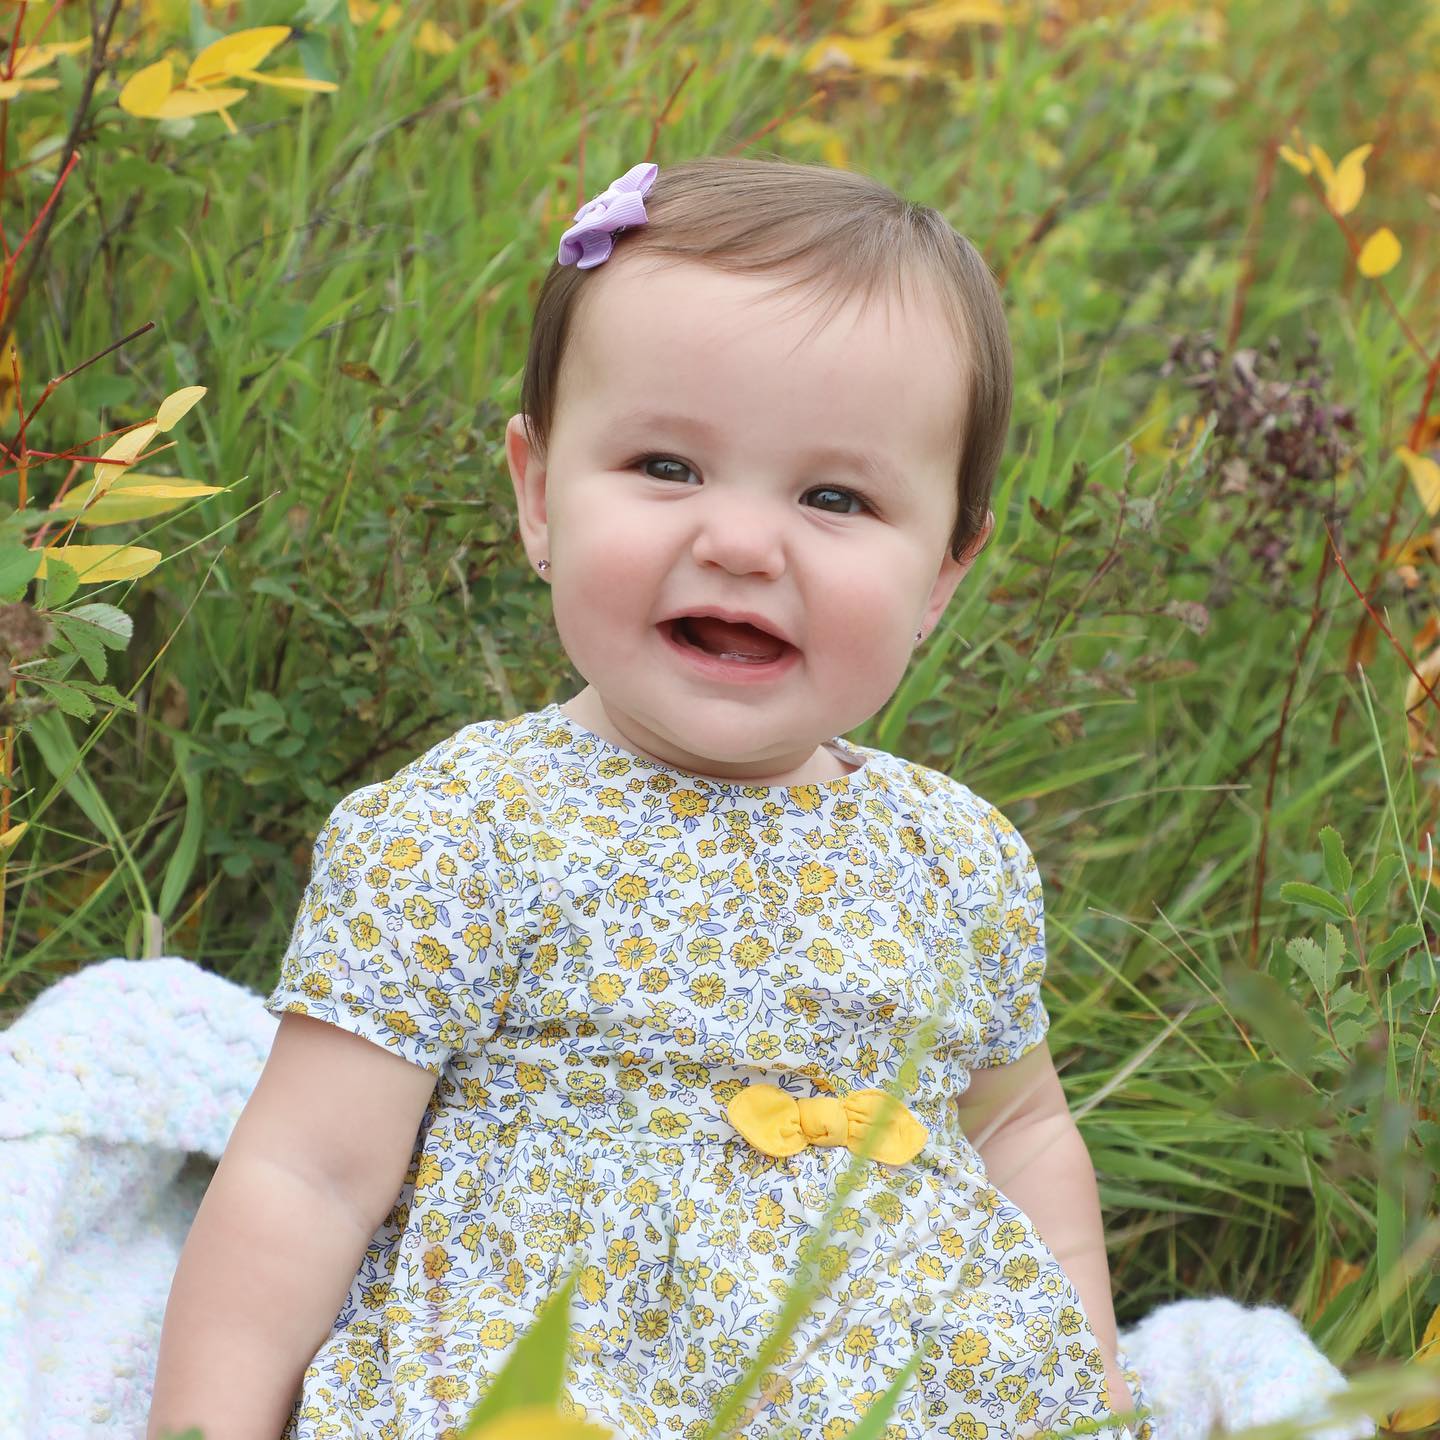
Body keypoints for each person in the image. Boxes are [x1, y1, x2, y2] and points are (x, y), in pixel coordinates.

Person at [147, 155, 1155, 1440]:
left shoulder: (954, 851)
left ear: (946, 572)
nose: (739, 542)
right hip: (569, 1375)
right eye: (667, 466)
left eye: (834, 498)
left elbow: (1019, 1132)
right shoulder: (469, 825)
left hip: (905, 1385)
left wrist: (1088, 1389)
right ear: (537, 494)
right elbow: (306, 1177)